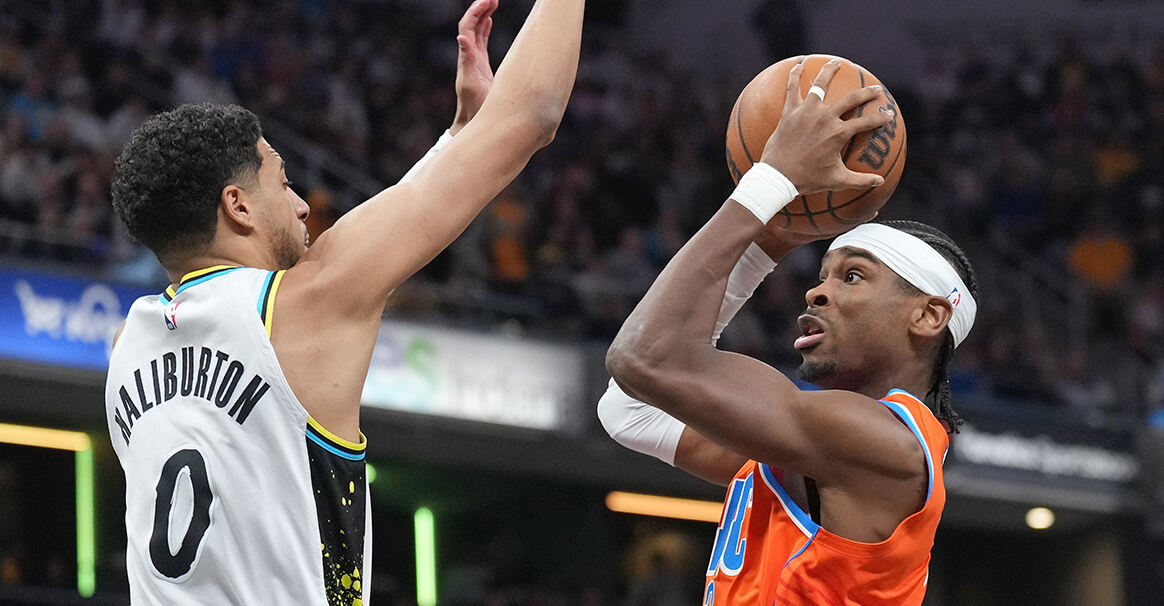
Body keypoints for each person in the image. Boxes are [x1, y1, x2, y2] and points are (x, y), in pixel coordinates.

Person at [103, 0, 585, 603]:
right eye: (283, 183)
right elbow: (531, 114)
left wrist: (460, 135)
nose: (303, 205)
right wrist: (476, 134)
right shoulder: (304, 303)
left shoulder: (127, 345)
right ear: (238, 205)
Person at [600, 58, 979, 605]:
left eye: (852, 277)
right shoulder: (809, 450)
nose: (815, 293)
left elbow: (642, 359)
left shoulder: (887, 446)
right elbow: (630, 409)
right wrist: (767, 246)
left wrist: (769, 182)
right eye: (821, 275)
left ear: (927, 316)